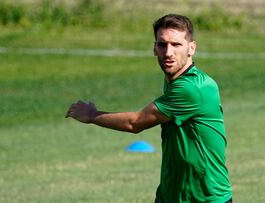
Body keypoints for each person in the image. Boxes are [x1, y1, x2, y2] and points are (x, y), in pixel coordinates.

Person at [65, 14, 232, 203]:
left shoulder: (192, 88)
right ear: (154, 48)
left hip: (206, 198)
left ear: (191, 48)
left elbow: (135, 123)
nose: (168, 52)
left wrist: (92, 115)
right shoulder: (175, 78)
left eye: (176, 45)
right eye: (162, 44)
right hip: (172, 195)